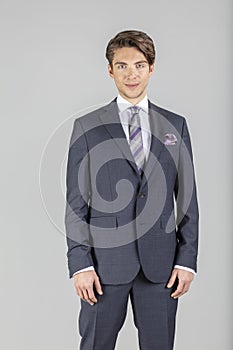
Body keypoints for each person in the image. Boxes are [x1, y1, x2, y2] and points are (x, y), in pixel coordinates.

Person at [65, 29, 199, 350]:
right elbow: (76, 205)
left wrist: (186, 261)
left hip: (162, 268)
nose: (131, 74)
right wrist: (80, 265)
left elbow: (188, 200)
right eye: (122, 66)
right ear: (110, 70)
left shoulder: (175, 125)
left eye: (139, 65)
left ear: (152, 68)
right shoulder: (88, 127)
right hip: (103, 268)